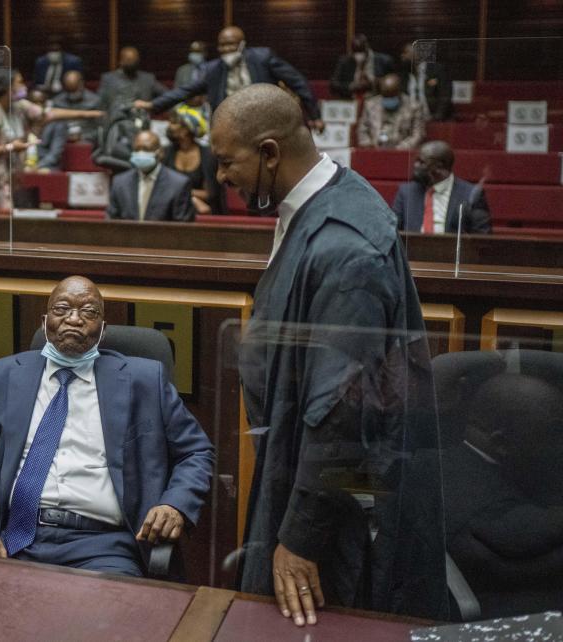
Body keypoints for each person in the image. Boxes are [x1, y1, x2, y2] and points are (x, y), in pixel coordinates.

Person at [210, 85, 447, 625]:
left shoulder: (344, 248)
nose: (221, 178)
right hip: (298, 472)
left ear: (270, 153)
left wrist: (300, 538)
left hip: (334, 514)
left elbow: (342, 412)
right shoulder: (323, 201)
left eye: (228, 163)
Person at [0, 276, 214, 575]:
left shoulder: (144, 381)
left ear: (102, 329)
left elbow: (196, 451)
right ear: (44, 322)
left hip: (105, 546)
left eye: (89, 312)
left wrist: (175, 504)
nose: (74, 319)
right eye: (62, 309)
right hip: (15, 538)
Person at [442, 373, 563, 618]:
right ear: (502, 443)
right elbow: (529, 539)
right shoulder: (496, 517)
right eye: (553, 433)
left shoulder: (432, 465)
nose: (559, 445)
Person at [0, 70, 102, 209]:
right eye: (19, 82)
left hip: (0, 176)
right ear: (6, 87)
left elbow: (47, 113)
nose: (23, 85)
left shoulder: (17, 106)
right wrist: (11, 147)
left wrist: (89, 114)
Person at [136, 27, 323, 132]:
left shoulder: (262, 58)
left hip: (266, 120)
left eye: (231, 44)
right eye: (222, 45)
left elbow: (297, 81)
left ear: (242, 44)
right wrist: (153, 105)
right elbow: (186, 90)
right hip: (231, 125)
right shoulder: (213, 69)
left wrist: (314, 115)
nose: (226, 49)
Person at [392, 141, 490, 234]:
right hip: (411, 250)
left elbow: (482, 238)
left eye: (422, 162)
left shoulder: (471, 195)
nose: (415, 165)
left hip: (452, 251)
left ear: (439, 167)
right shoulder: (406, 192)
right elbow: (393, 232)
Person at [107, 131, 195, 222]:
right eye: (137, 149)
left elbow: (183, 228)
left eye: (146, 149)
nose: (141, 153)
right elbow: (112, 224)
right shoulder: (120, 183)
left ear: (160, 152)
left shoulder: (178, 184)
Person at [162, 112, 224, 215]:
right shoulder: (167, 152)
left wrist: (182, 193)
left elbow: (210, 193)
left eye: (174, 123)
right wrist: (192, 198)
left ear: (186, 130)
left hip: (203, 210)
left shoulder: (207, 155)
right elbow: (162, 187)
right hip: (171, 207)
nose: (169, 126)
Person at [356, 74, 426, 149]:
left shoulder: (414, 107)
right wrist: (368, 144)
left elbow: (418, 134)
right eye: (386, 96)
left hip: (402, 151)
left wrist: (400, 149)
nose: (389, 98)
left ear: (399, 92)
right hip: (375, 149)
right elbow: (362, 129)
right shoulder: (370, 105)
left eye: (392, 96)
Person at [98, 47, 167, 113]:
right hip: (116, 120)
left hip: (143, 119)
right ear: (121, 61)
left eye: (134, 60)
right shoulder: (109, 79)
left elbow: (166, 96)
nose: (132, 63)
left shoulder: (148, 79)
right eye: (128, 60)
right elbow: (100, 103)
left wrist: (150, 105)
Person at [329, 34, 395, 99]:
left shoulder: (384, 61)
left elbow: (394, 83)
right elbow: (334, 84)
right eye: (355, 51)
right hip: (351, 100)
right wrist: (350, 86)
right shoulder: (345, 61)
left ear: (367, 48)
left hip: (376, 100)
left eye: (361, 51)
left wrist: (373, 82)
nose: (359, 55)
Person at [399, 43, 452, 121]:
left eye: (406, 53)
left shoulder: (437, 70)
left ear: (417, 55)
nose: (402, 56)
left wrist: (437, 117)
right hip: (408, 119)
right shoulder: (403, 75)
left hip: (431, 118)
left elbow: (445, 95)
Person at [51, 70, 102, 144]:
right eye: (69, 91)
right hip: (62, 138)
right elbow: (53, 127)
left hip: (88, 139)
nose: (72, 95)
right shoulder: (57, 101)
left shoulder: (95, 101)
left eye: (75, 91)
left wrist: (84, 136)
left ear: (81, 84)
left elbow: (101, 129)